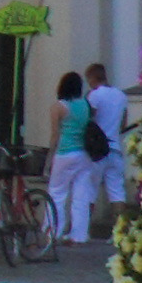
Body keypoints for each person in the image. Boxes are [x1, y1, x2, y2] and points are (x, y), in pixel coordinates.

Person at [46, 70, 103, 250]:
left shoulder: (59, 107)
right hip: (84, 154)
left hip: (65, 153)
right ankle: (79, 234)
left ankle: (53, 231)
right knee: (81, 195)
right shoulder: (85, 105)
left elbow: (55, 134)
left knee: (57, 193)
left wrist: (49, 158)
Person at [86, 58, 134, 210]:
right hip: (115, 148)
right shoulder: (121, 95)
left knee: (89, 191)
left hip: (97, 151)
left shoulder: (94, 95)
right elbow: (123, 124)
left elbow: (89, 119)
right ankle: (120, 230)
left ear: (93, 77)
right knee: (117, 192)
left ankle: (82, 230)